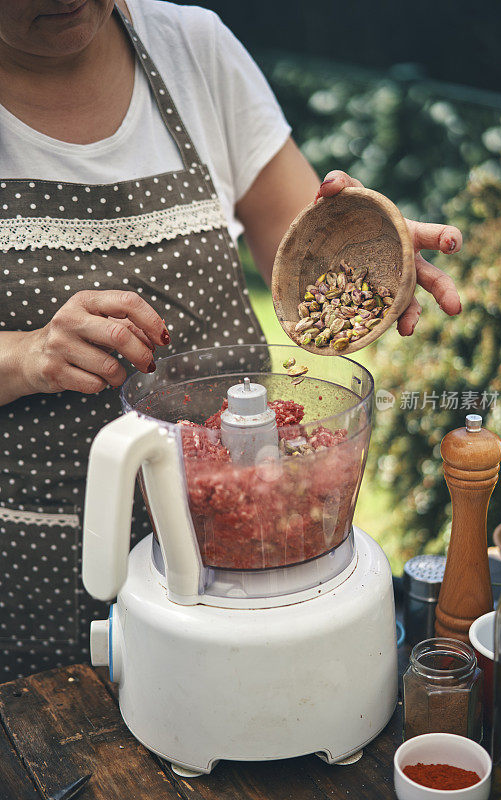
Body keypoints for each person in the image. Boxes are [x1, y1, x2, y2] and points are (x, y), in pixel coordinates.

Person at [0, 0, 462, 681]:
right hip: (41, 565)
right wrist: (24, 355)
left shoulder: (192, 48)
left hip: (246, 545)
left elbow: (303, 256)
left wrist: (369, 260)